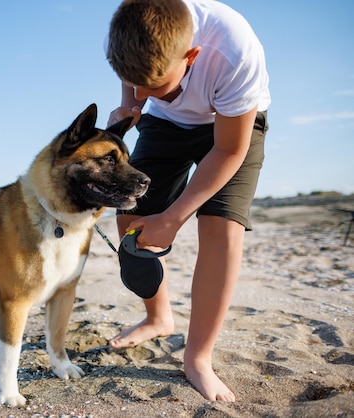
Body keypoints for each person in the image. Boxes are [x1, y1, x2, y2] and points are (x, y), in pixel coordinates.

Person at [104, 0, 270, 401]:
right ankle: (158, 317)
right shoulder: (129, 30)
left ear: (191, 55)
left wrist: (176, 217)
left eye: (153, 85)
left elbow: (229, 151)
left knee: (221, 229)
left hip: (231, 126)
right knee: (131, 214)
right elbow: (137, 83)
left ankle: (198, 357)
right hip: (167, 124)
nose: (143, 92)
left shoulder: (233, 51)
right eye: (133, 80)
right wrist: (131, 104)